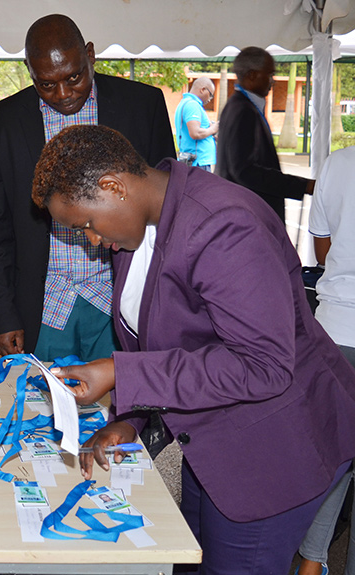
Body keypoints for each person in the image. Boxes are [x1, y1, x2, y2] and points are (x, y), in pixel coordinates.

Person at [38, 125, 355, 574]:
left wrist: (120, 375)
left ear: (114, 187)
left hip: (274, 448)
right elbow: (169, 339)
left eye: (86, 224)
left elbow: (262, 365)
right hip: (212, 437)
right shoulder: (138, 223)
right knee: (188, 557)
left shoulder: (226, 224)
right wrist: (131, 418)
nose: (90, 239)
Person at [0, 14, 175, 362]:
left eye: (74, 77)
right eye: (47, 84)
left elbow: (166, 208)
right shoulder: (0, 123)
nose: (64, 94)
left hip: (121, 298)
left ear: (90, 55)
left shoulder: (143, 105)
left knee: (124, 409)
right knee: (43, 411)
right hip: (44, 305)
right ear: (29, 70)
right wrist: (2, 314)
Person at [296, 146, 355, 575]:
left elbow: (320, 249)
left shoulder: (340, 162)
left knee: (331, 461)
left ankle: (311, 563)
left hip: (338, 328)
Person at [216, 46, 314, 222]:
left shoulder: (238, 106)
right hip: (248, 217)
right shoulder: (243, 111)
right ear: (252, 75)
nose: (273, 81)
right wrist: (303, 185)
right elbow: (245, 171)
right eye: (269, 75)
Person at [173, 76, 219, 171]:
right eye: (210, 95)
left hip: (197, 161)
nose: (210, 99)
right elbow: (195, 133)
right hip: (198, 162)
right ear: (202, 90)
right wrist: (213, 129)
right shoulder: (192, 105)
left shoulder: (187, 103)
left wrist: (211, 133)